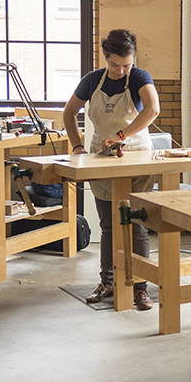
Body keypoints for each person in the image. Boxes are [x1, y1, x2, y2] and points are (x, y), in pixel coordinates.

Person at [62, 30, 160, 311]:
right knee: (108, 225)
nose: (120, 71)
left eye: (126, 65)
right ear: (105, 59)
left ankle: (140, 286)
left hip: (137, 156)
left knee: (137, 225)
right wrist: (77, 147)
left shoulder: (140, 78)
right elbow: (68, 113)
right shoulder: (92, 80)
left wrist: (121, 135)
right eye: (114, 65)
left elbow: (152, 109)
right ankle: (108, 281)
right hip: (101, 158)